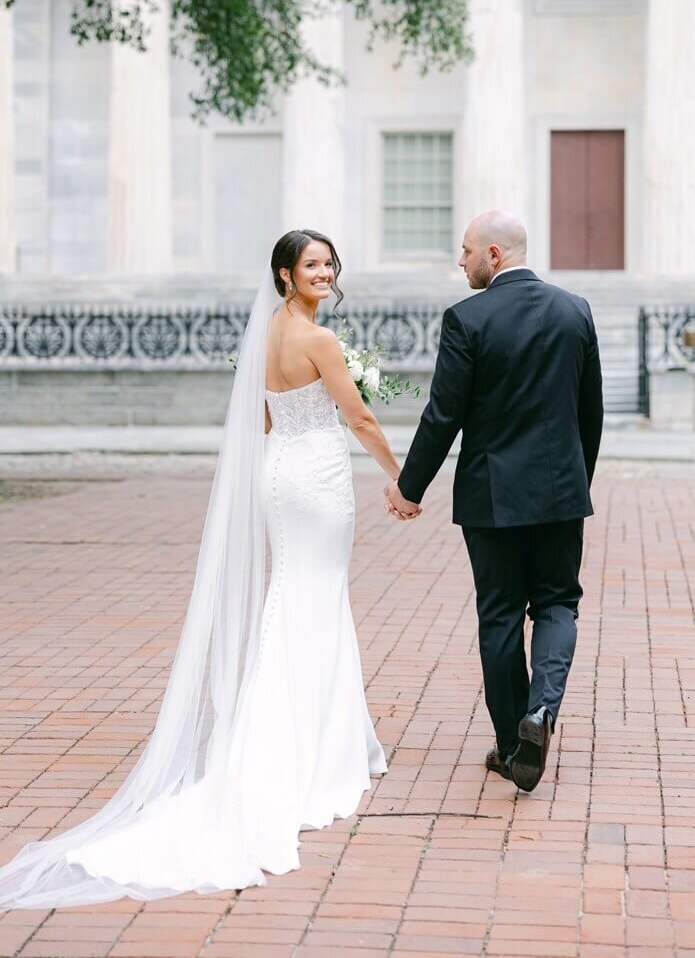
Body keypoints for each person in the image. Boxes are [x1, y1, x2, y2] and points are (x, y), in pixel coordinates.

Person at [0, 229, 409, 908]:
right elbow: (358, 416)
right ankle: (318, 745)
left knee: (295, 592)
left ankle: (328, 731)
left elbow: (264, 419)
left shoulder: (270, 336)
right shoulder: (321, 342)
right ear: (284, 274)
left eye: (329, 264)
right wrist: (401, 477)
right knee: (316, 593)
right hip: (317, 478)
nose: (325, 272)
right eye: (312, 265)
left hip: (280, 475)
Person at [385, 211, 603, 793]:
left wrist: (409, 489)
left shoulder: (467, 319)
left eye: (466, 251)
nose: (461, 262)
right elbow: (591, 413)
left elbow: (443, 415)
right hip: (560, 493)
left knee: (501, 614)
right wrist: (576, 480)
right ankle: (542, 712)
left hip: (492, 497)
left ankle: (513, 747)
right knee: (558, 604)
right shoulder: (574, 310)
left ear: (495, 255)